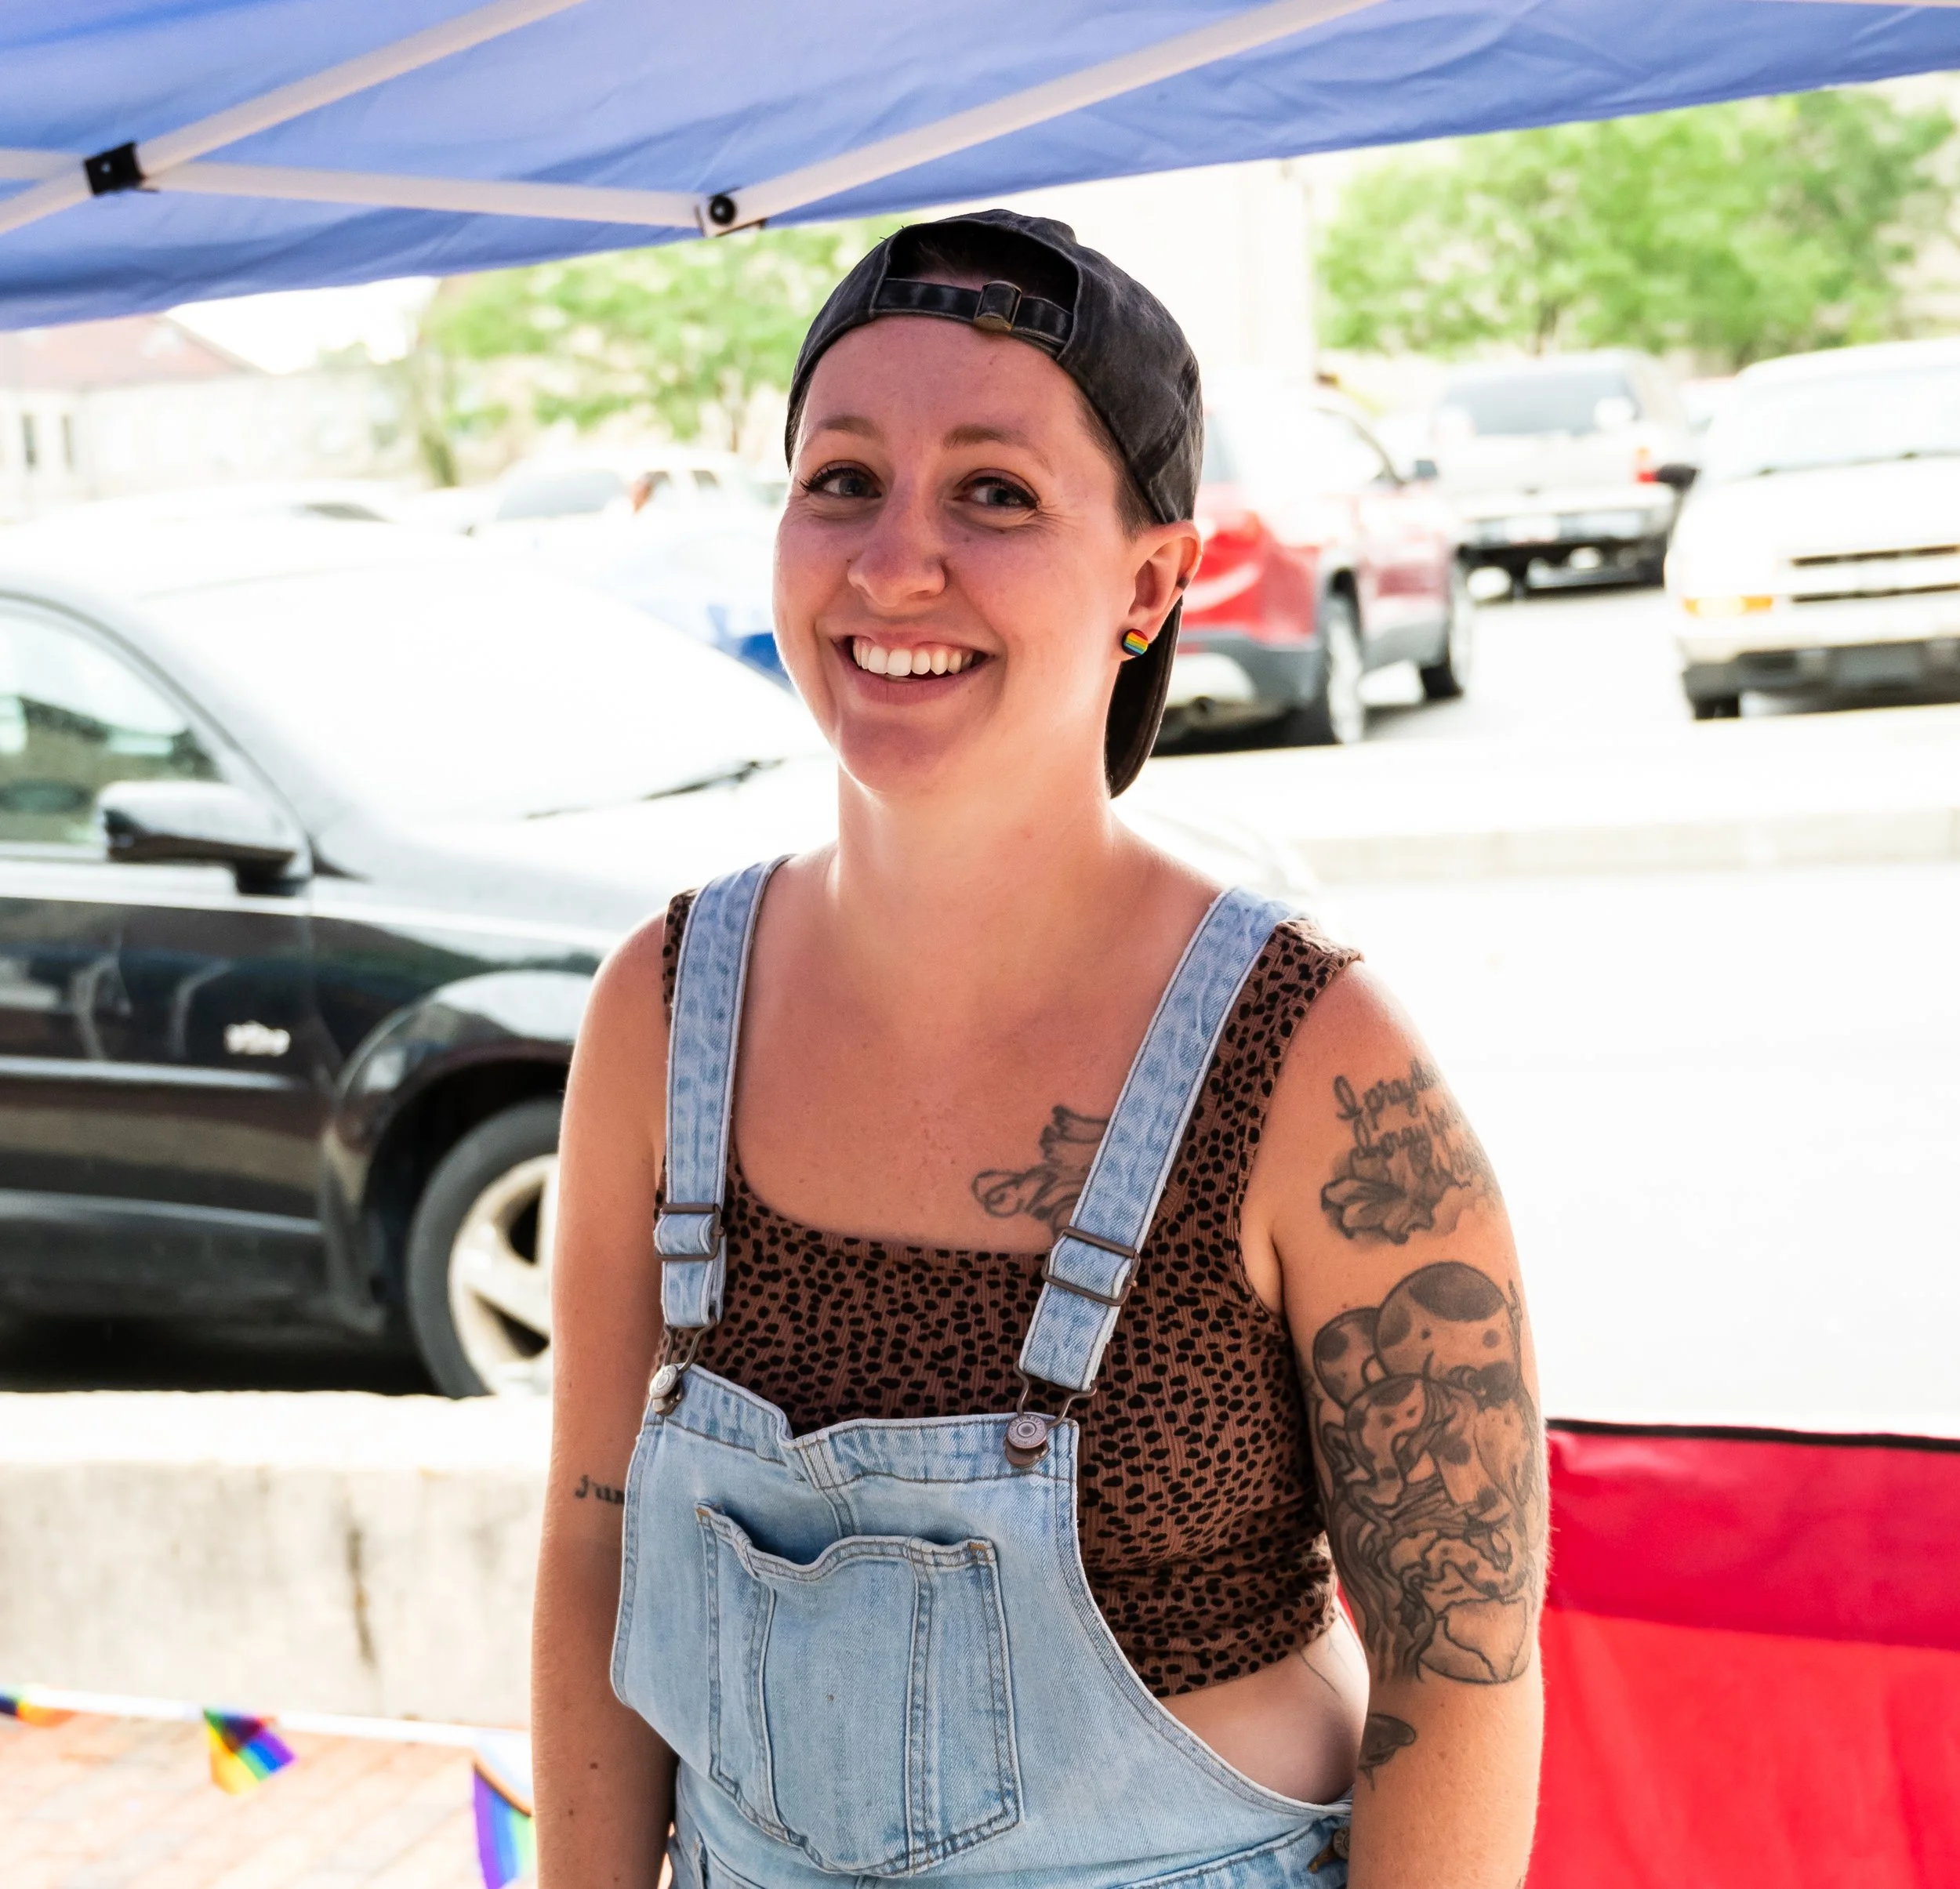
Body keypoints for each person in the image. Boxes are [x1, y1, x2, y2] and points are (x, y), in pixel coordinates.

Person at [534, 210, 1546, 1889]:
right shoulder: (661, 1003)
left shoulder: (1310, 1064)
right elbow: (591, 1543)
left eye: (993, 492)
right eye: (840, 477)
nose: (890, 563)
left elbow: (1459, 1666)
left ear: (1154, 576)